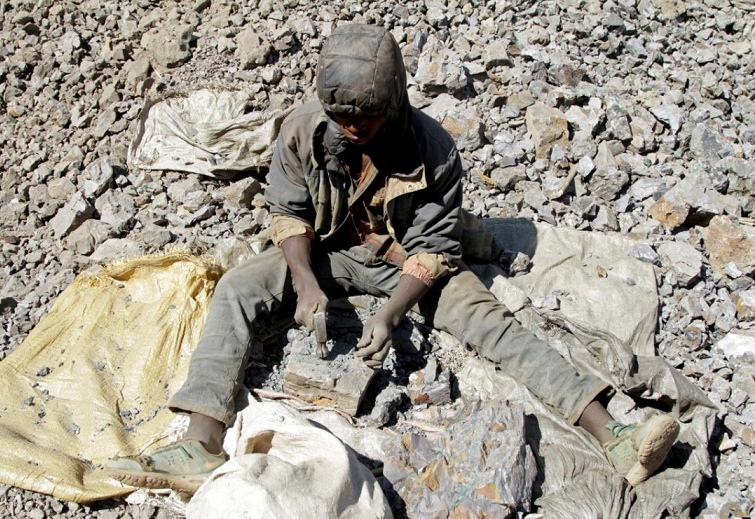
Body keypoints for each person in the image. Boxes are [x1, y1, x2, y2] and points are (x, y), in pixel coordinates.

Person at [105, 23, 678, 494]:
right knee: (236, 288)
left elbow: (434, 249)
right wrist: (305, 281)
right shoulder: (302, 130)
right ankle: (201, 444)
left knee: (494, 326)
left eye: (366, 117)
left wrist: (390, 313)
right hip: (330, 252)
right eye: (341, 117)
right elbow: (288, 213)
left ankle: (614, 434)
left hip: (407, 264)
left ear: (395, 101)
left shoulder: (434, 149)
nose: (352, 127)